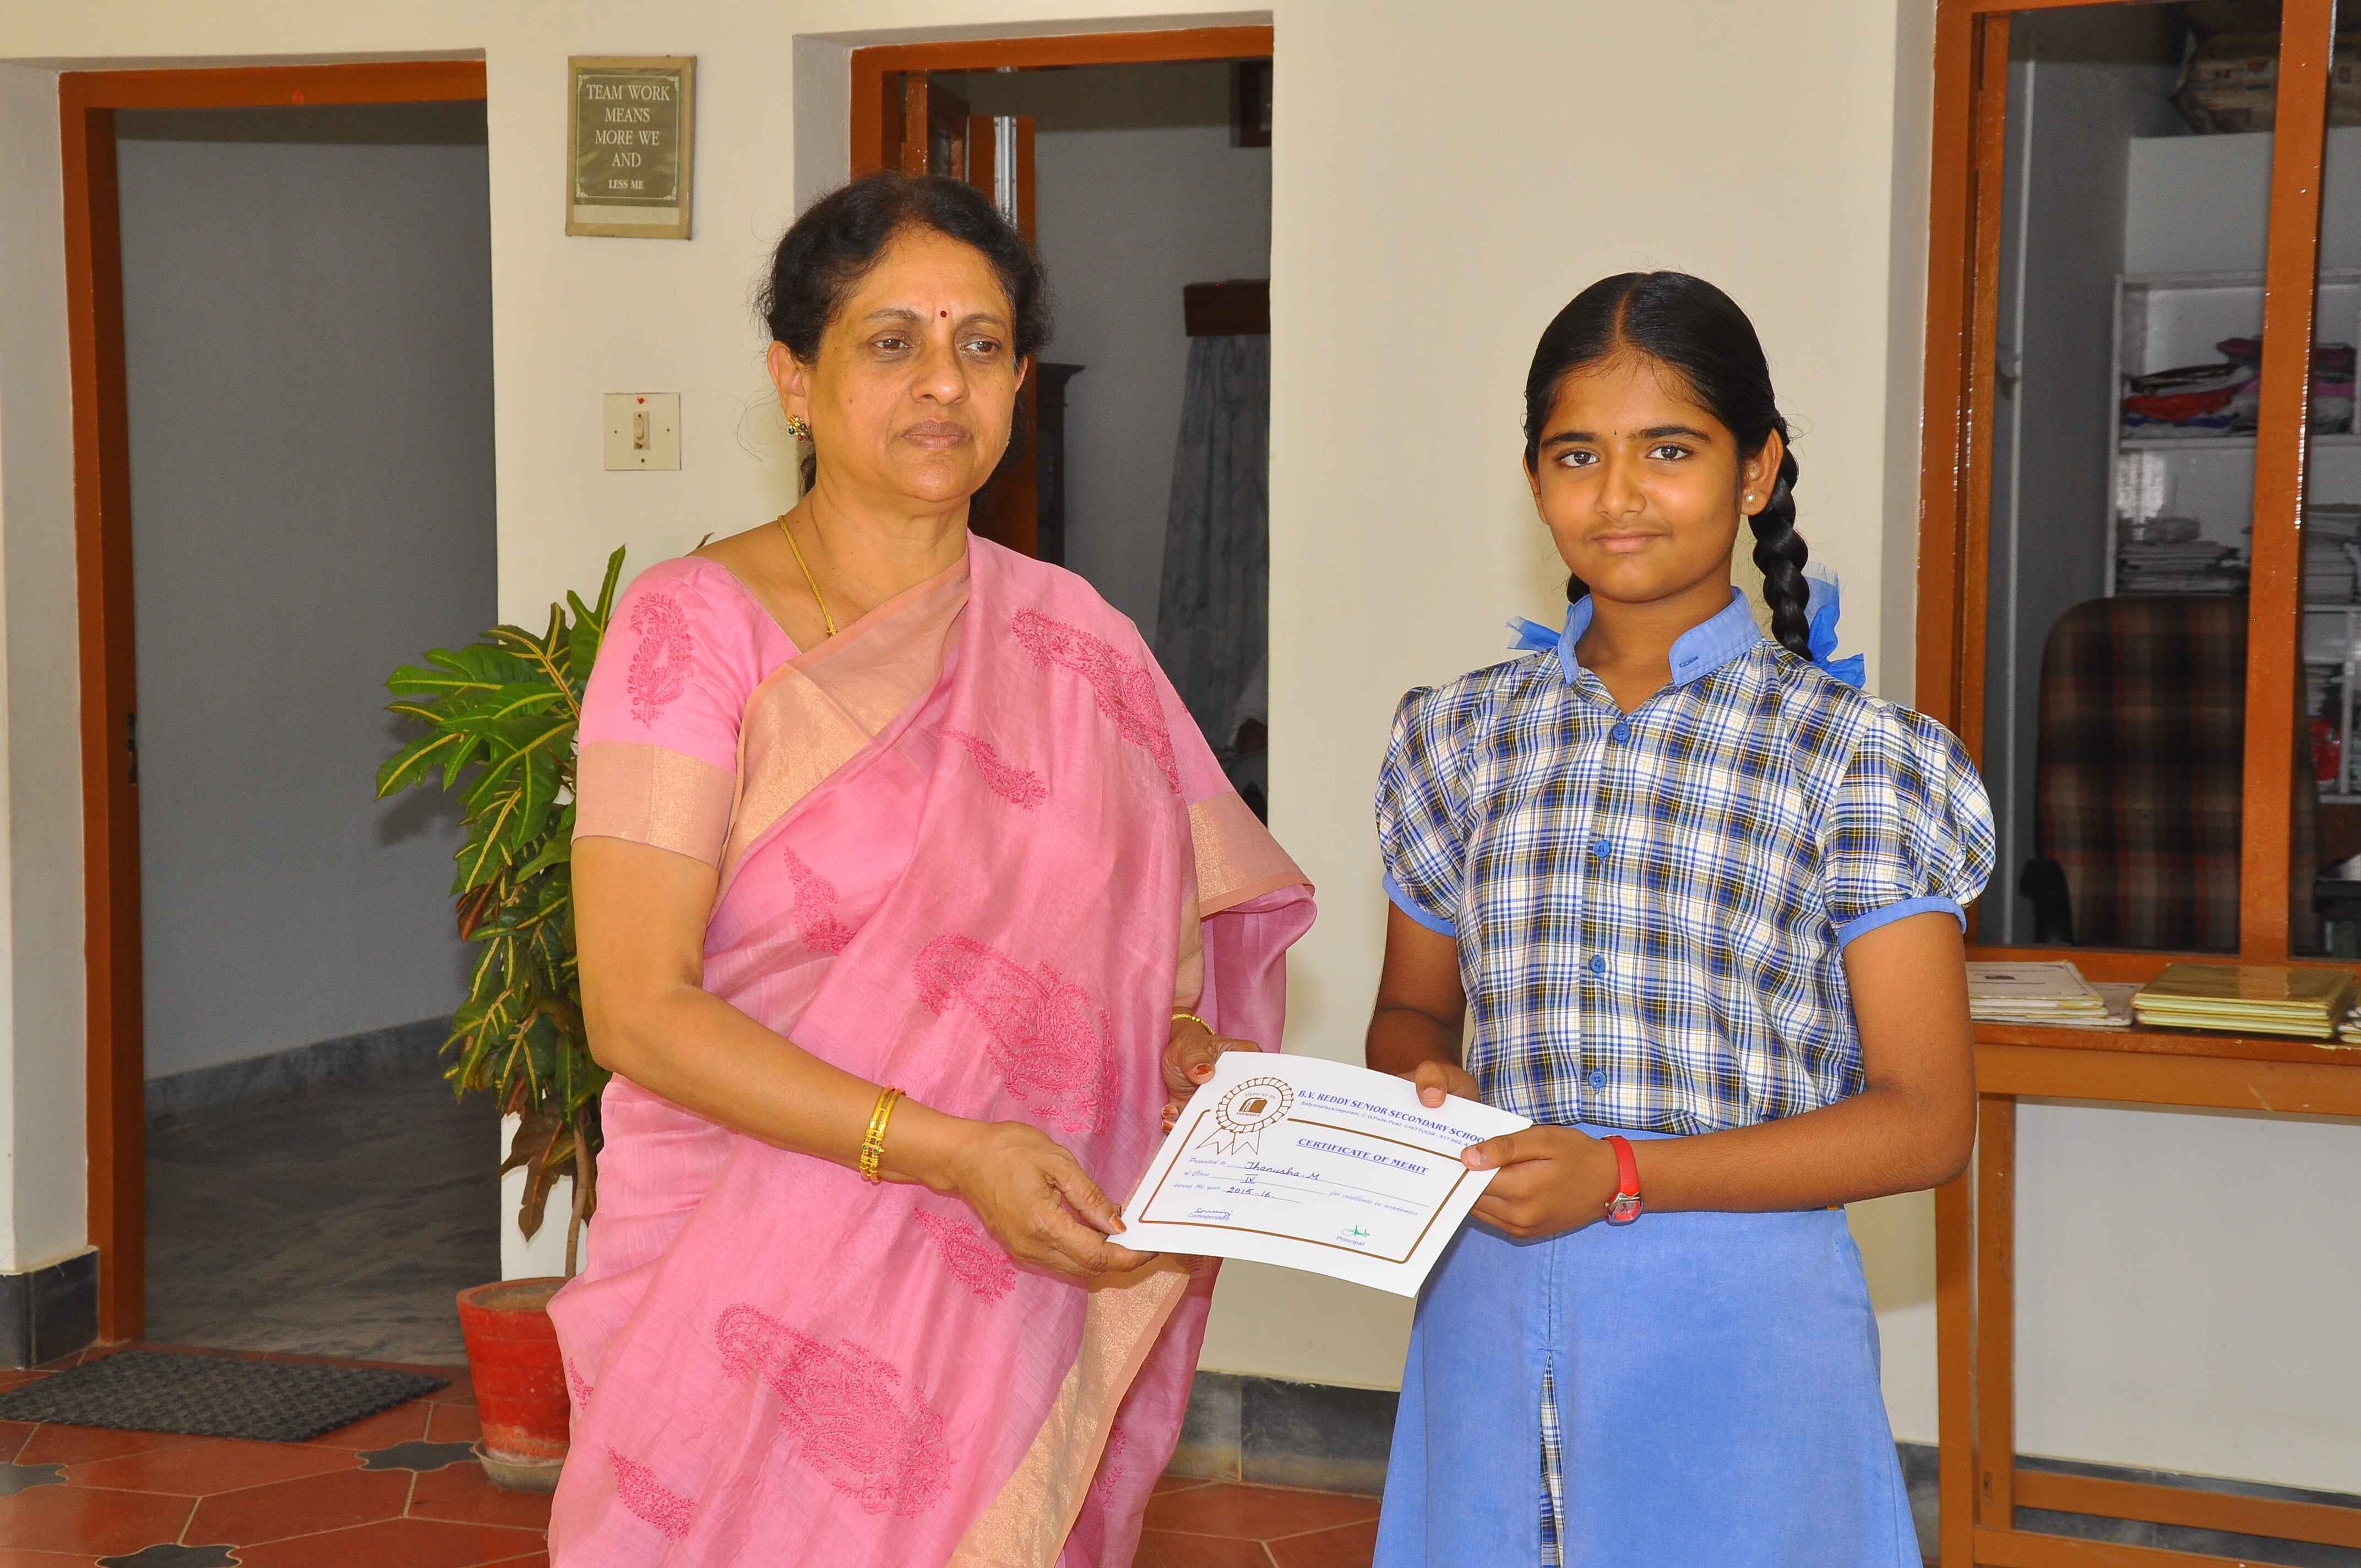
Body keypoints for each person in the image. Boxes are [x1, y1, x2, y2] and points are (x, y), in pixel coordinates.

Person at [546, 172, 1314, 1566]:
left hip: (1004, 1280)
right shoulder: (691, 630)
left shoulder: (1078, 640)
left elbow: (1153, 968)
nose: (941, 382)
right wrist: (951, 1150)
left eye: (980, 343)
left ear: (1018, 379)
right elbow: (636, 1009)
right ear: (794, 376)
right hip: (745, 1263)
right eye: (891, 341)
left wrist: (1180, 1051)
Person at [1366, 271, 1993, 1566]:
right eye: (1575, 454)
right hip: (1486, 1293)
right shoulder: (1456, 734)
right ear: (1532, 477)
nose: (1617, 494)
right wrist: (1427, 1082)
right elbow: (1411, 1007)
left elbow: (1926, 1118)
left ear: (1755, 469)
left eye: (1668, 450)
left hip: (1738, 1330)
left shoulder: (1854, 757)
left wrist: (1622, 1174)